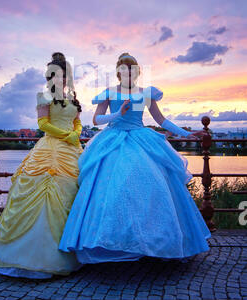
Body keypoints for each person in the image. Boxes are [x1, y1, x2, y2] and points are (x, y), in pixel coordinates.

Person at [58, 52, 211, 263]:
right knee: (113, 190)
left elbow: (161, 120)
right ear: (119, 72)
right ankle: (111, 241)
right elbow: (97, 119)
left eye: (132, 68)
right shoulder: (110, 92)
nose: (128, 72)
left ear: (137, 71)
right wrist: (118, 113)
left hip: (140, 139)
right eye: (124, 68)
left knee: (149, 189)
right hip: (113, 140)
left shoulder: (146, 93)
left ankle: (150, 242)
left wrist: (188, 134)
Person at [0, 52, 83, 278]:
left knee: (74, 187)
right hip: (51, 148)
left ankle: (70, 247)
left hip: (72, 148)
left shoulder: (73, 98)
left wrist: (76, 134)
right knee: (45, 186)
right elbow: (42, 124)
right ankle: (28, 254)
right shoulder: (45, 95)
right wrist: (65, 135)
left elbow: (78, 121)